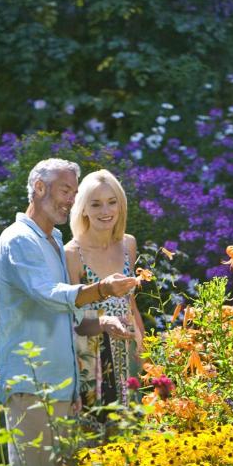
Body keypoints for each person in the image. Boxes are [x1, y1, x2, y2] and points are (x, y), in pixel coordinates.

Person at [0, 158, 139, 466]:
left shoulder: (54, 241)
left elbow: (71, 316)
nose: (71, 199)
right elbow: (50, 294)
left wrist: (103, 323)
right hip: (32, 384)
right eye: (64, 190)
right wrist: (102, 289)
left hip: (62, 388)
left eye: (74, 191)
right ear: (39, 188)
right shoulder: (19, 239)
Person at [65, 170, 147, 420]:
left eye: (112, 202)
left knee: (135, 428)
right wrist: (103, 324)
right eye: (96, 204)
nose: (105, 211)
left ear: (121, 206)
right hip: (92, 355)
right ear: (83, 209)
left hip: (128, 347)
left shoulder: (128, 244)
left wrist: (144, 349)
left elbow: (130, 301)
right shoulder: (71, 253)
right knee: (99, 433)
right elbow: (72, 318)